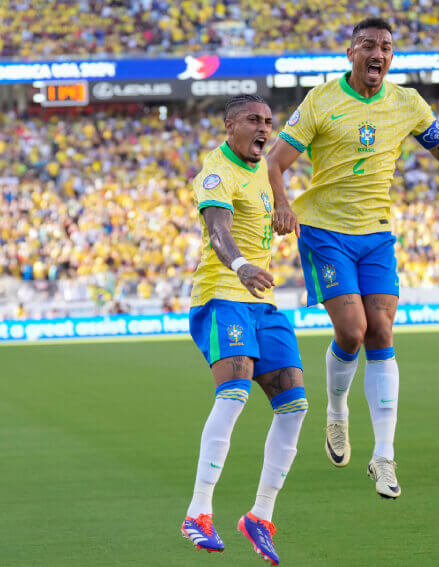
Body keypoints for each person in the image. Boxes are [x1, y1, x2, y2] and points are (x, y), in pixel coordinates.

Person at [265, 16, 439, 499]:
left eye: (386, 46)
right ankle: (337, 410)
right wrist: (283, 205)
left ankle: (384, 456)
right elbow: (275, 160)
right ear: (351, 53)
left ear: (392, 56)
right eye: (368, 44)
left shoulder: (406, 103)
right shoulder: (322, 100)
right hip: (325, 230)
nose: (378, 53)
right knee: (352, 331)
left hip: (377, 234)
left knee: (382, 331)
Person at [181, 94, 307, 566]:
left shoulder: (262, 166)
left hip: (263, 301)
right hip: (222, 294)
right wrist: (240, 265)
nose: (265, 128)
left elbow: (274, 178)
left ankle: (261, 516)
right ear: (229, 125)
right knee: (234, 393)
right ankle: (198, 511)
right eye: (254, 120)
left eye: (269, 121)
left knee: (294, 403)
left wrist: (283, 206)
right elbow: (218, 230)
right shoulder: (217, 171)